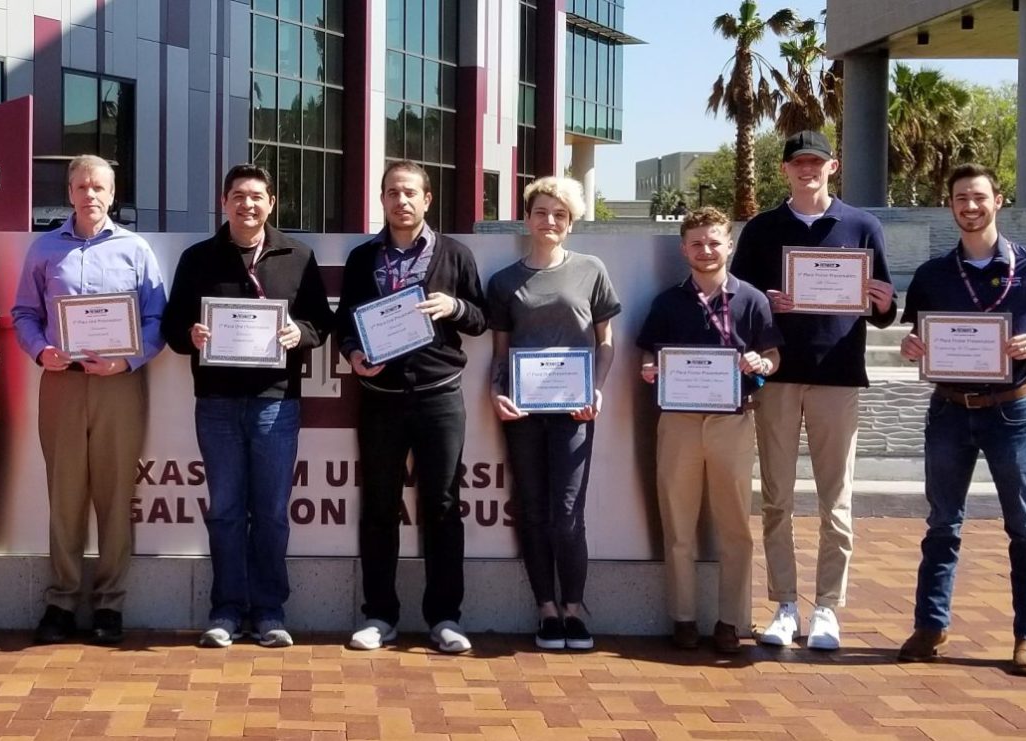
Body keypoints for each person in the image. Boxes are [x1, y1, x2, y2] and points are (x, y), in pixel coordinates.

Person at [729, 130, 898, 650]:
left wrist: (884, 300)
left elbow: (886, 312)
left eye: (816, 163)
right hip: (778, 378)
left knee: (836, 501)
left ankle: (827, 607)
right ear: (785, 171)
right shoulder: (761, 229)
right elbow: (737, 306)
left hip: (837, 376)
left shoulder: (862, 226)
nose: (807, 170)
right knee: (777, 498)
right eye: (798, 163)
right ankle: (783, 603)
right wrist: (766, 303)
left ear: (833, 167)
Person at [896, 164, 1026, 677]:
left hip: (1011, 409)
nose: (970, 206)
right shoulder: (932, 274)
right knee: (942, 523)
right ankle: (931, 625)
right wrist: (912, 346)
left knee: (1025, 527)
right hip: (948, 410)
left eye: (979, 197)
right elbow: (916, 334)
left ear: (998, 200)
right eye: (961, 198)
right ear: (950, 206)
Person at [162, 164, 331, 650]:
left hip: (275, 403)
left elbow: (321, 323)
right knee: (226, 511)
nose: (247, 205)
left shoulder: (297, 256)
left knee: (273, 512)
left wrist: (300, 334)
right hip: (215, 403)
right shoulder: (198, 259)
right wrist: (190, 336)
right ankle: (227, 610)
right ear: (224, 203)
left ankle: (271, 611)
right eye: (238, 196)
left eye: (256, 196)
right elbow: (173, 328)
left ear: (271, 203)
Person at [11, 154, 167, 646]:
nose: (90, 195)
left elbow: (156, 320)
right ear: (70, 192)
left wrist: (128, 360)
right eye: (81, 186)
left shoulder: (135, 250)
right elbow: (22, 313)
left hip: (119, 384)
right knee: (65, 495)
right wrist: (40, 351)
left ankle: (109, 605)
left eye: (99, 186)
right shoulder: (45, 249)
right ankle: (61, 600)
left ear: (112, 193)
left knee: (116, 495)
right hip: (62, 382)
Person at [334, 161, 487, 654]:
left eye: (410, 193)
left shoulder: (456, 254)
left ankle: (445, 617)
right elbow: (343, 325)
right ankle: (380, 615)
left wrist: (455, 309)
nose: (401, 201)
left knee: (441, 505)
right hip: (380, 400)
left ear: (427, 199)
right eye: (392, 192)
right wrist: (354, 355)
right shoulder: (363, 258)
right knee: (379, 506)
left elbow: (482, 319)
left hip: (440, 396)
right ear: (382, 200)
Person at [636, 207, 781, 654]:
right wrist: (648, 370)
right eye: (696, 243)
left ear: (729, 245)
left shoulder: (753, 299)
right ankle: (682, 617)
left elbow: (773, 357)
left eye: (714, 241)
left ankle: (731, 619)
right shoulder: (667, 301)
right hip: (678, 422)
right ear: (684, 249)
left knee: (735, 525)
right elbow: (646, 357)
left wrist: (761, 363)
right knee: (677, 523)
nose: (705, 250)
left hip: (732, 421)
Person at [487, 176, 619, 652]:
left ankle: (575, 608)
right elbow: (500, 353)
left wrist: (598, 391)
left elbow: (605, 343)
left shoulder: (591, 270)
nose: (550, 221)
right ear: (528, 217)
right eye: (542, 212)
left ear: (571, 222)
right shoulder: (504, 281)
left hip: (576, 411)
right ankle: (546, 608)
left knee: (567, 514)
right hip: (522, 412)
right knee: (532, 509)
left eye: (560, 214)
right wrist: (495, 393)